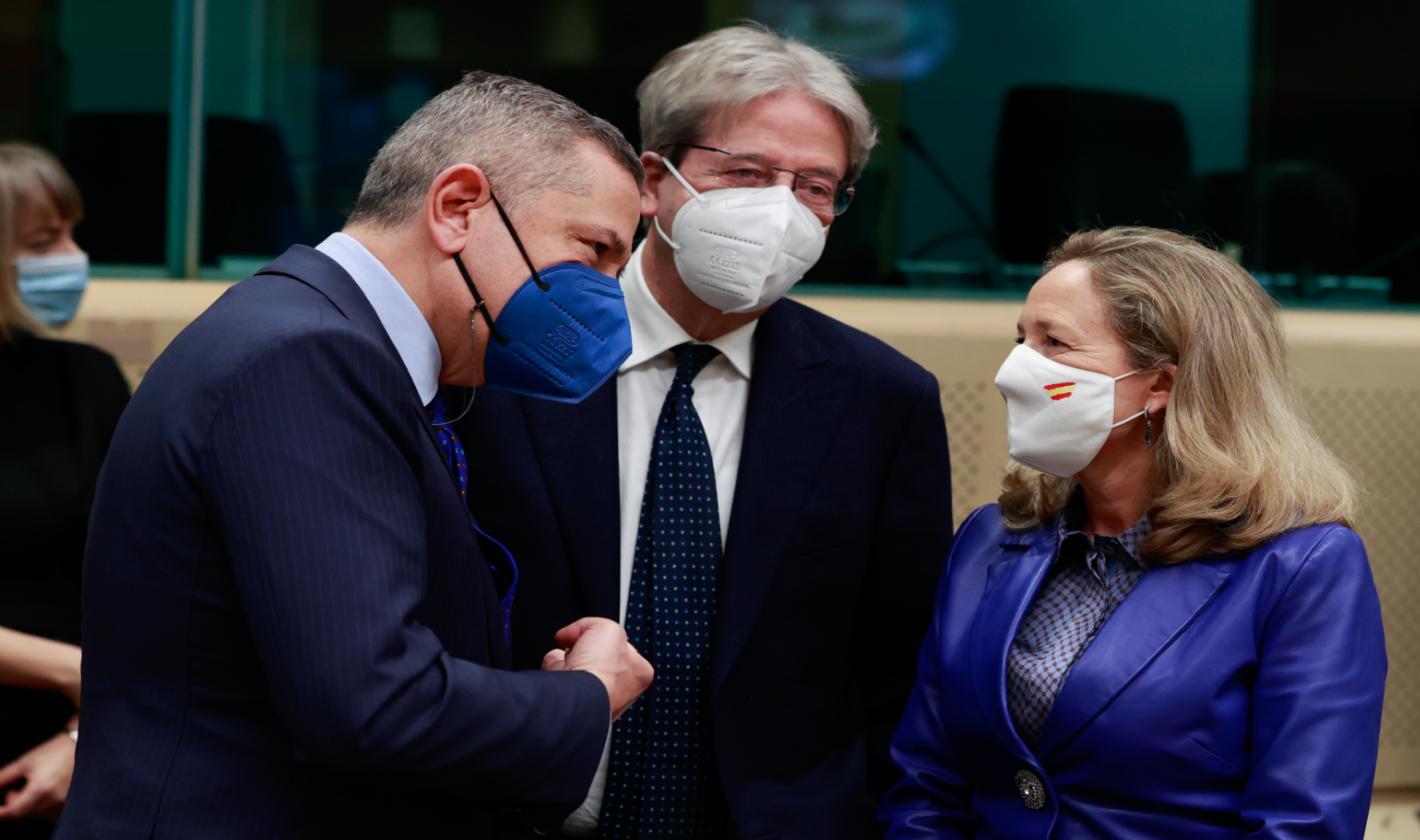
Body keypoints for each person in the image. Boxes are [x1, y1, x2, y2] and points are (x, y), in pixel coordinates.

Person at [57, 72, 654, 840]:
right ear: (458, 207)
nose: (607, 297)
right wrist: (587, 696)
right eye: (594, 251)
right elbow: (373, 705)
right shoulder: (307, 355)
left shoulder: (337, 342)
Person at [459, 24, 953, 840]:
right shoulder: (502, 356)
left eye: (816, 187)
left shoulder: (881, 399)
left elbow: (897, 669)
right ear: (655, 180)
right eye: (748, 173)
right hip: (520, 812)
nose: (781, 211)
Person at [881, 227, 1388, 838]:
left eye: (1055, 344)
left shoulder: (1301, 566)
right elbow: (925, 785)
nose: (1013, 372)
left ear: (1161, 385)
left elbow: (1302, 824)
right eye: (1022, 340)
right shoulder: (990, 538)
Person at [0, 143, 130, 837]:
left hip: (85, 748)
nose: (71, 257)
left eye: (73, 233)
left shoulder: (86, 379)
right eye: (44, 242)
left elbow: (145, 572)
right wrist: (75, 670)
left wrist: (83, 735)